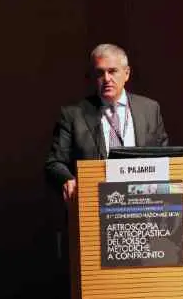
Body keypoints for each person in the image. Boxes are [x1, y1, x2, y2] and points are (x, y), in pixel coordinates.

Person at [45, 43, 169, 200]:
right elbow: (55, 163)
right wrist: (67, 179)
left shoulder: (149, 109)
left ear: (127, 73)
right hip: (95, 200)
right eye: (100, 73)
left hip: (142, 201)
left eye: (112, 71)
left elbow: (165, 157)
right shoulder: (73, 115)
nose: (107, 79)